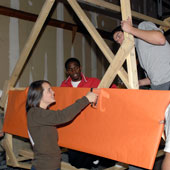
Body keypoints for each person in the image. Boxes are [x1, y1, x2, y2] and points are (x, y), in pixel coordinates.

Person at [112, 18, 170, 170]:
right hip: (159, 87)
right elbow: (155, 75)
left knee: (146, 128)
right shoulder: (140, 48)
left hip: (167, 85)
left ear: (124, 29)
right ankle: (138, 163)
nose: (118, 41)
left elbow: (160, 39)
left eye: (118, 36)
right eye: (116, 41)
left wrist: (131, 29)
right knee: (146, 128)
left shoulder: (143, 27)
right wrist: (140, 83)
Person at [26, 80, 98, 170]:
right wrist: (86, 99)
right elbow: (62, 116)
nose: (53, 92)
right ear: (38, 94)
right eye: (49, 90)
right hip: (44, 167)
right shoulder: (35, 113)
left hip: (51, 166)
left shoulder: (42, 114)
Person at [61, 57, 116, 169]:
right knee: (77, 163)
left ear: (80, 68)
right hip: (75, 124)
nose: (74, 71)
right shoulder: (63, 85)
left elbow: (113, 89)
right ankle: (91, 159)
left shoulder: (93, 81)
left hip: (92, 123)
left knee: (102, 152)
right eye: (70, 69)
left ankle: (98, 158)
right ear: (67, 71)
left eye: (76, 68)